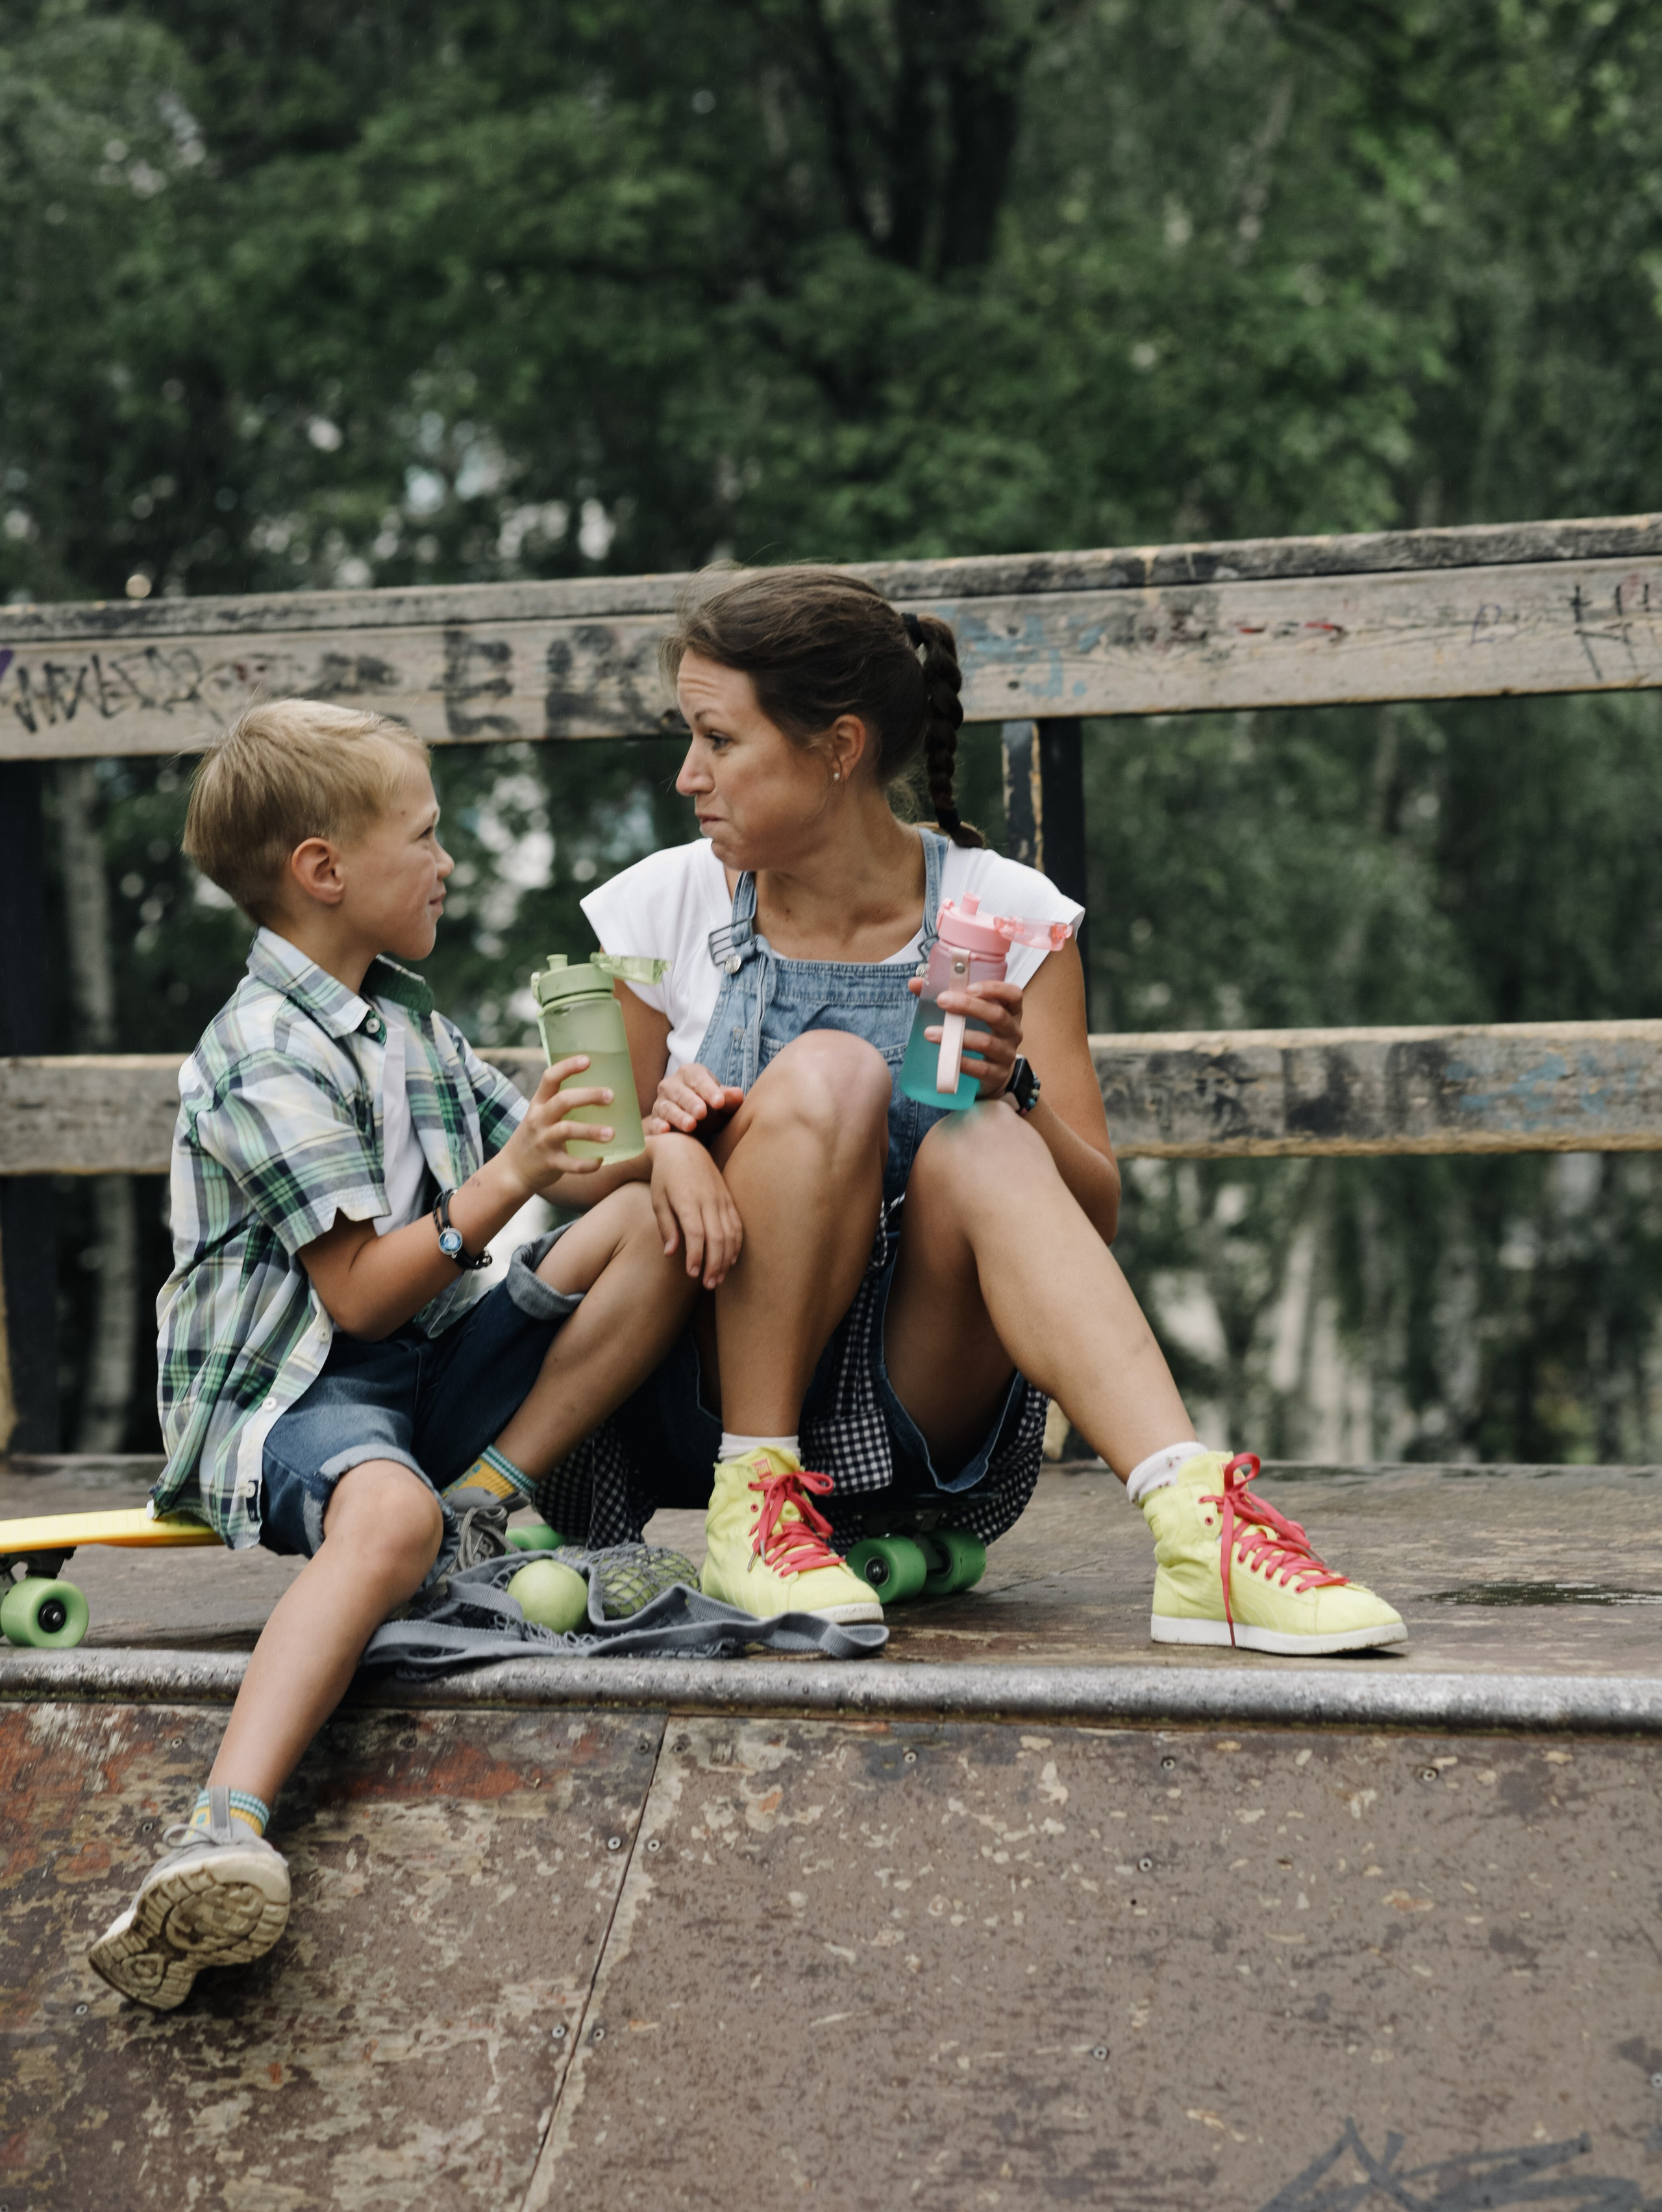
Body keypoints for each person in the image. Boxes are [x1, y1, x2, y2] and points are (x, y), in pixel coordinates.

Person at [552, 566, 1406, 1655]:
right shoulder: (660, 904)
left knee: (982, 1133)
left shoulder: (1007, 913)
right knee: (829, 1075)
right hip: (705, 1390)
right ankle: (752, 1510)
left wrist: (1021, 1094)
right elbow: (574, 1173)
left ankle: (1200, 1533)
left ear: (839, 748)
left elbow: (1091, 1211)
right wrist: (667, 1144)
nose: (687, 776)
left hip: (909, 1399)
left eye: (719, 741)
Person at [90, 700, 700, 2011]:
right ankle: (222, 1827)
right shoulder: (257, 1054)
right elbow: (362, 1296)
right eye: (423, 837)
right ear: (324, 871)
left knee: (646, 1225)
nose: (447, 863)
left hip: (423, 1374)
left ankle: (479, 1507)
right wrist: (515, 1173)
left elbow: (583, 1169)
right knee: (380, 1519)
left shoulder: (408, 1027)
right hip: (299, 1391)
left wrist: (680, 1124)